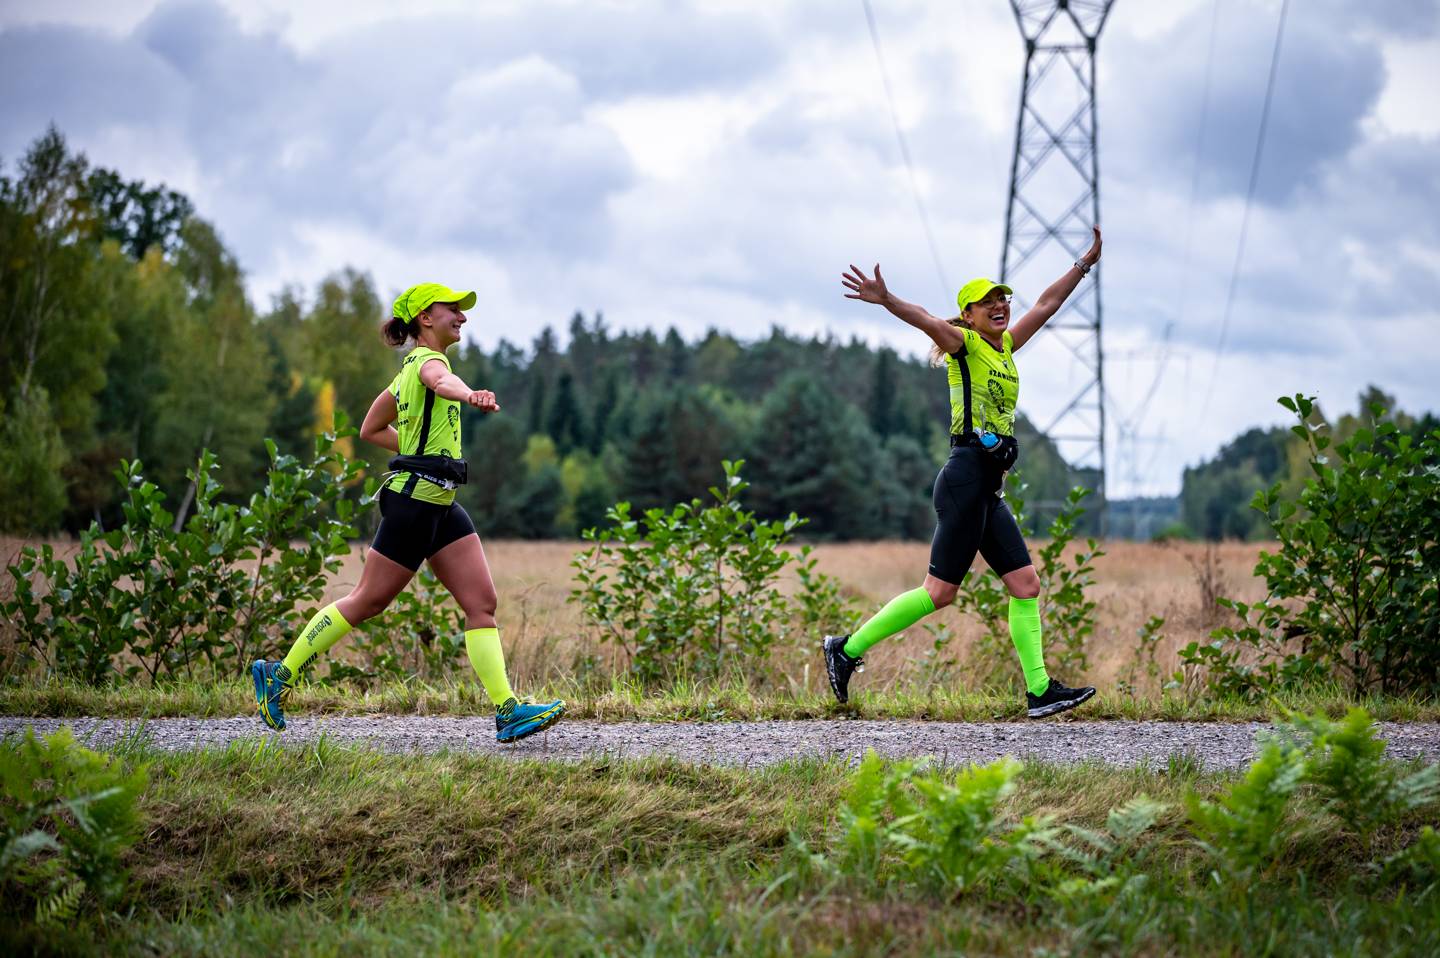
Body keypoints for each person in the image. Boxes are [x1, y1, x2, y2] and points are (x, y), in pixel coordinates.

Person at [252, 282, 565, 742]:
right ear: (425, 318)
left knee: (481, 603)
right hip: (414, 503)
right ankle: (278, 675)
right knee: (367, 600)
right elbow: (442, 382)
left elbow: (369, 428)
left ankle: (507, 711)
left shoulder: (405, 373)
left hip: (440, 503)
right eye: (452, 309)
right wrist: (470, 394)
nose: (462, 317)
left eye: (462, 311)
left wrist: (417, 447)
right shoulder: (428, 365)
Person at [826, 229, 1103, 718]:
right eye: (986, 301)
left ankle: (1039, 691)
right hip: (963, 480)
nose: (999, 305)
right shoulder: (964, 344)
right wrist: (887, 300)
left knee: (1025, 585)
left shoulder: (1007, 347)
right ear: (970, 315)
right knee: (939, 593)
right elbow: (927, 319)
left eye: (1002, 298)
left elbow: (1046, 303)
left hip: (987, 488)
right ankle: (845, 650)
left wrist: (1084, 265)